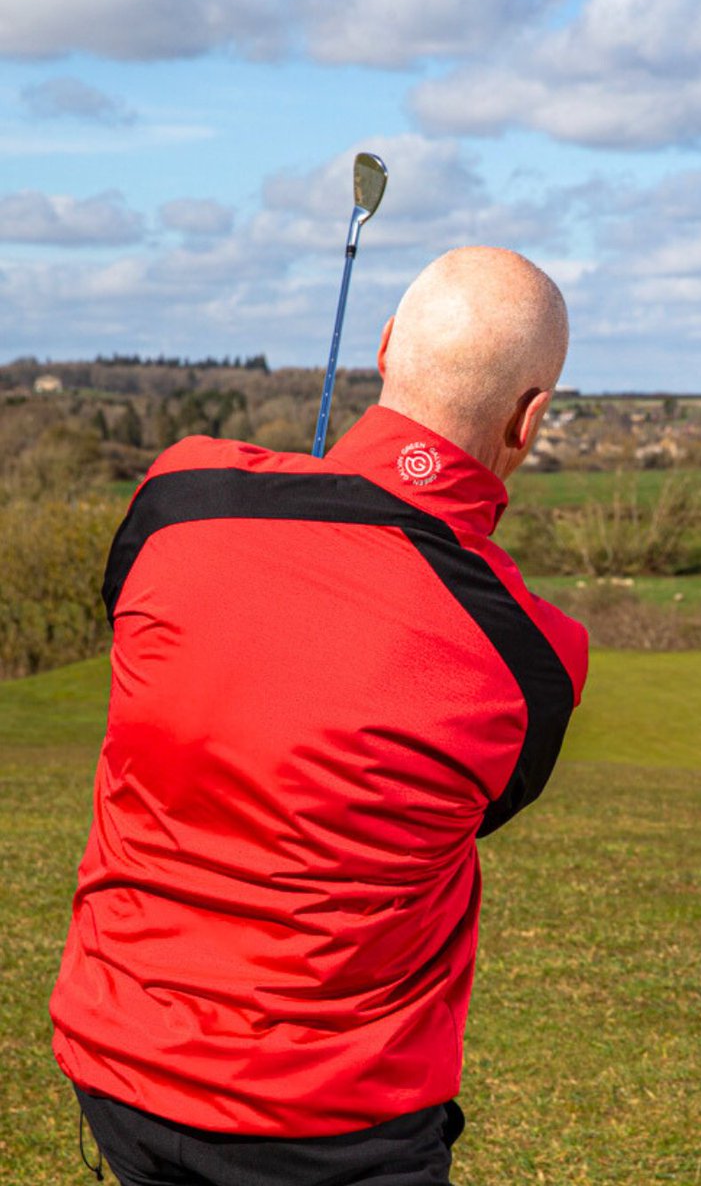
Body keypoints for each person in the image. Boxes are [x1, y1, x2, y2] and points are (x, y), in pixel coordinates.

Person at [50, 246, 589, 1186]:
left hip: (118, 1069)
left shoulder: (175, 497)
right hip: (334, 1127)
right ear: (529, 417)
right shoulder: (534, 656)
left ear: (385, 347)